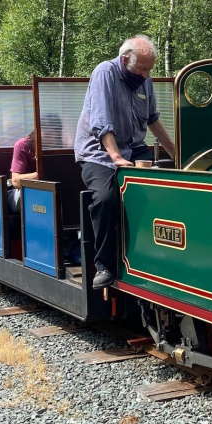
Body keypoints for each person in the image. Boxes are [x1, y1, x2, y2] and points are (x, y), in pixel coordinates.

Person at [75, 34, 176, 289]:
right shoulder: (105, 73)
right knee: (106, 198)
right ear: (124, 60)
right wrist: (116, 157)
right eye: (141, 68)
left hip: (134, 149)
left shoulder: (145, 81)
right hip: (98, 153)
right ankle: (104, 265)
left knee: (169, 188)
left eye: (148, 69)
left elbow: (153, 120)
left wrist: (177, 154)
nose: (145, 74)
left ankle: (158, 255)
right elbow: (101, 121)